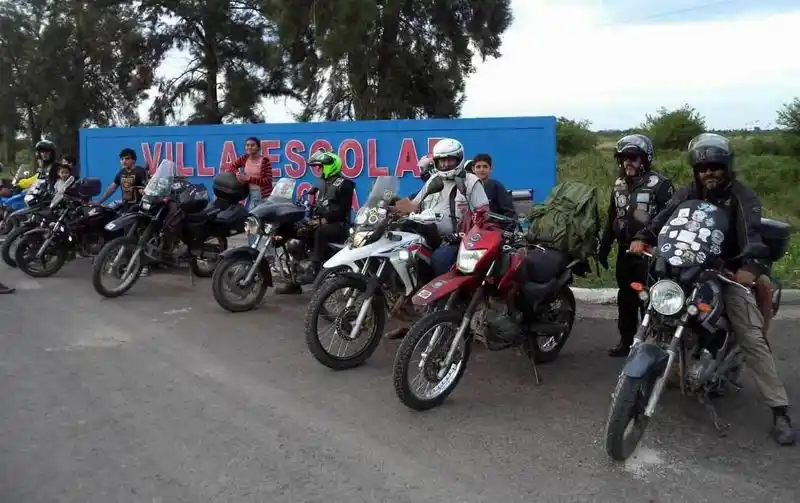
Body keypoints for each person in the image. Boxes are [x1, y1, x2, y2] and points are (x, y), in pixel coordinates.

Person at [628, 132, 795, 446]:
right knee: (653, 306)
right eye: (704, 168)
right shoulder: (687, 192)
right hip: (685, 268)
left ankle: (779, 409)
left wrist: (749, 266)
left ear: (727, 167)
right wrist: (646, 236)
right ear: (696, 170)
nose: (710, 173)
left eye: (716, 166)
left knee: (751, 335)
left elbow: (753, 233)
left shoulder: (741, 197)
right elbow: (664, 218)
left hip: (725, 271)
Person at [598, 134, 673, 357]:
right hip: (624, 251)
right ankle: (626, 340)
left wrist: (652, 243)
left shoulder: (660, 185)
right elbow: (613, 215)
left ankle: (650, 343)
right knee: (626, 297)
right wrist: (605, 244)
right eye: (624, 158)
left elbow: (669, 219)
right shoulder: (619, 185)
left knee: (649, 299)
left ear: (645, 159)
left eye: (633, 157)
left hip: (650, 253)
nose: (628, 162)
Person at [394, 138, 490, 278]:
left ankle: (445, 298)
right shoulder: (434, 180)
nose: (445, 164)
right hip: (430, 237)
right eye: (441, 160)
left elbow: (484, 214)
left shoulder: (470, 181)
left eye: (449, 160)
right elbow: (414, 204)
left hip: (458, 241)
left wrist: (464, 233)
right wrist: (389, 207)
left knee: (441, 258)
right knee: (404, 253)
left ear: (458, 159)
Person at [276, 149, 354, 295]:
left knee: (321, 231)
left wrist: (323, 220)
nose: (318, 169)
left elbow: (342, 211)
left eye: (320, 166)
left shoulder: (345, 184)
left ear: (331, 166)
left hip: (338, 225)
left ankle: (314, 266)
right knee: (295, 231)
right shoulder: (322, 183)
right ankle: (294, 280)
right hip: (319, 221)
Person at [221, 137, 273, 245]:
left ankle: (261, 248)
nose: (249, 147)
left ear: (258, 147)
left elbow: (267, 180)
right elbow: (232, 167)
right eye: (247, 145)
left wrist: (249, 179)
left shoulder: (265, 161)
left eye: (252, 145)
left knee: (256, 221)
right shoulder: (245, 158)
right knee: (251, 222)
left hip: (261, 195)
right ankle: (253, 247)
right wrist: (237, 174)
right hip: (249, 194)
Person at [470, 153, 517, 218]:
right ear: (473, 169)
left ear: (491, 168)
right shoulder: (468, 187)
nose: (482, 170)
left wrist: (495, 224)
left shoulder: (496, 186)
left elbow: (509, 212)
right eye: (478, 167)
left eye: (485, 166)